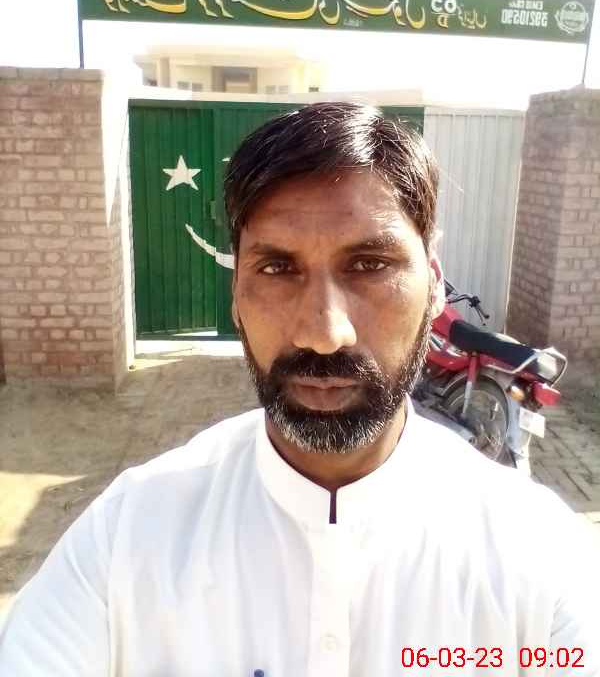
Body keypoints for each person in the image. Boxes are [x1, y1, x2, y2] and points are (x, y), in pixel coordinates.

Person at [0, 102, 598, 676]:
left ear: (434, 284)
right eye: (277, 269)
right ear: (235, 296)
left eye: (369, 265)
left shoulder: (534, 552)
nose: (325, 333)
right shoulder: (127, 536)